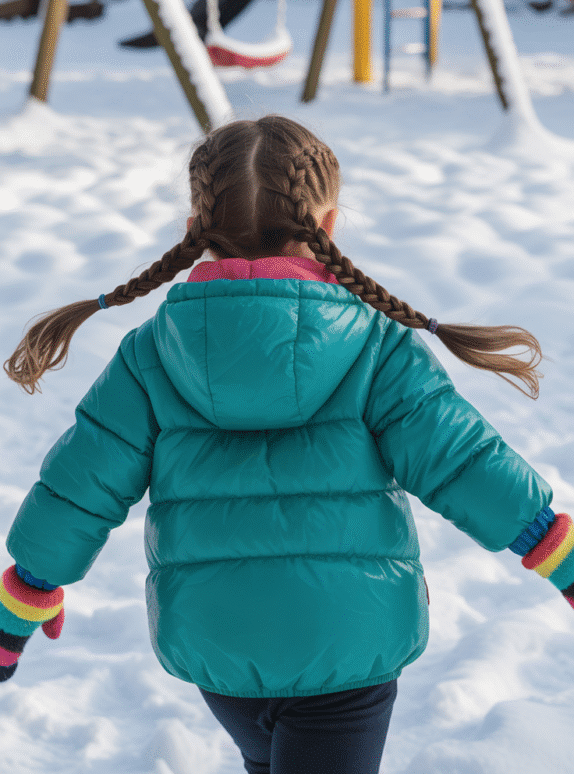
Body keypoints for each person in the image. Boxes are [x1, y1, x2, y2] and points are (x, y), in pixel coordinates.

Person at [2, 114, 573, 774]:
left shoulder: (151, 355)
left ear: (194, 234)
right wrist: (555, 549)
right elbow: (463, 461)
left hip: (219, 648)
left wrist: (25, 595)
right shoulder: (375, 344)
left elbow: (79, 490)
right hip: (348, 643)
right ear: (327, 227)